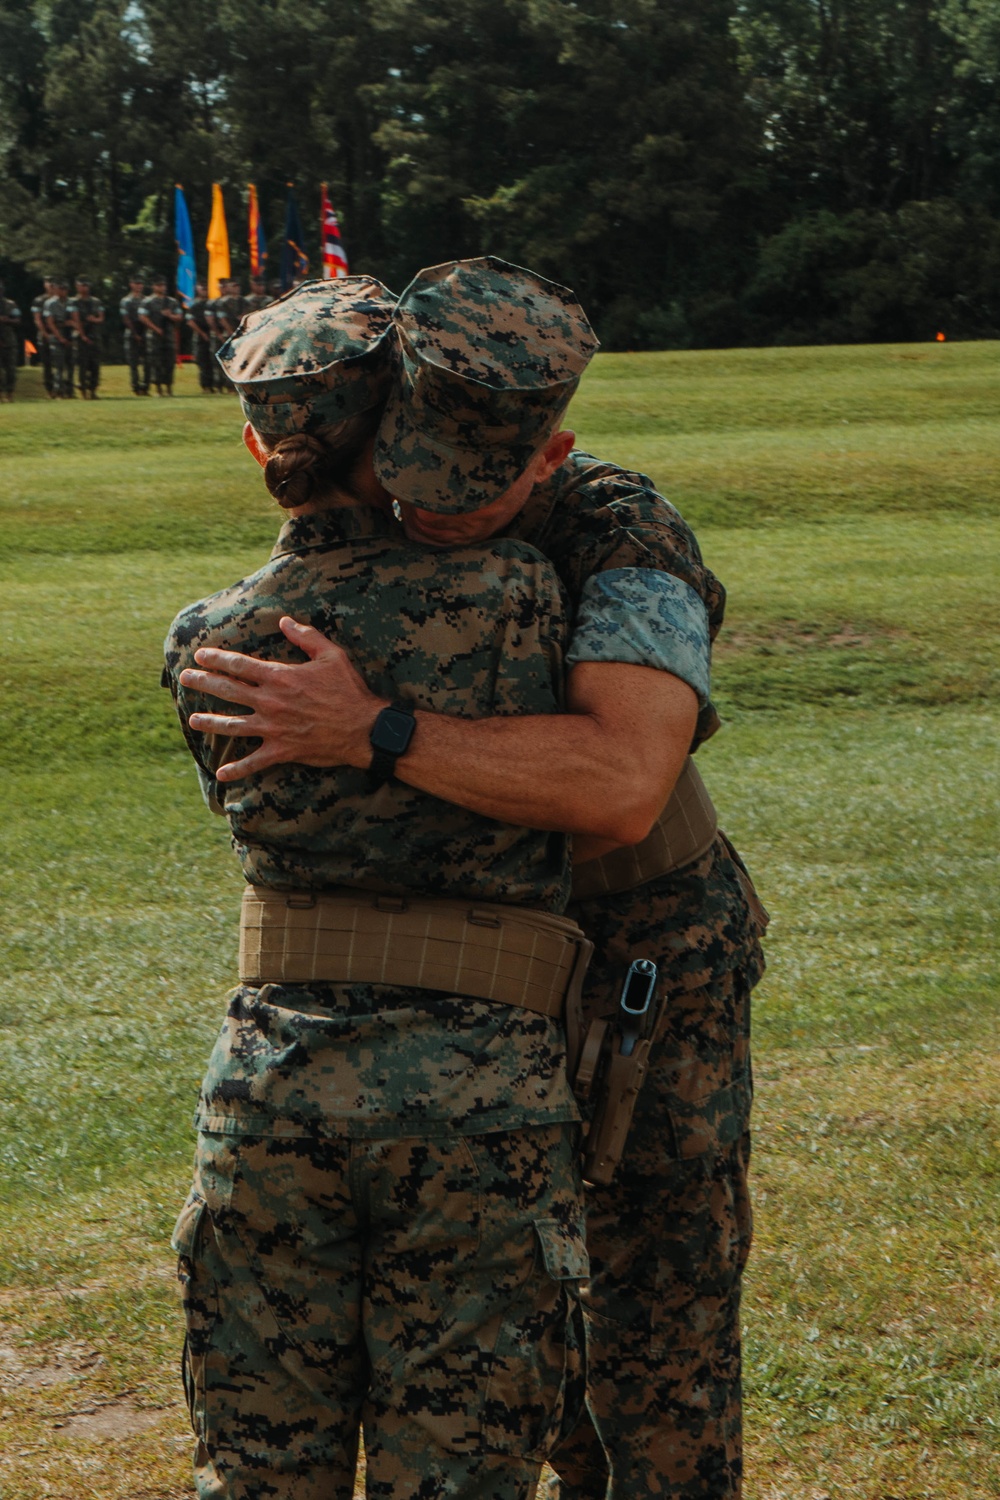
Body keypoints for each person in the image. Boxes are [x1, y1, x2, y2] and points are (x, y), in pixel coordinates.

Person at [183, 256, 767, 1500]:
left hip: (636, 963)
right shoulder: (393, 480)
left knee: (646, 1339)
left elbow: (620, 785)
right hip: (460, 990)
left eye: (475, 490)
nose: (434, 509)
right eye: (414, 475)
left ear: (547, 457)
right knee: (498, 1350)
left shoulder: (619, 531)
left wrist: (376, 731)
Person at [164, 276, 597, 1500]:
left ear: (260, 439)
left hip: (270, 1085)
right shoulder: (519, 595)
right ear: (399, 422)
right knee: (459, 1471)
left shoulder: (205, 637)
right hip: (480, 1099)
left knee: (260, 1468)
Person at [140, 275, 183, 395]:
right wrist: (155, 328)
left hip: (169, 336)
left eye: (163, 285)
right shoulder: (147, 301)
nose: (162, 287)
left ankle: (169, 387)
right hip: (154, 337)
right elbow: (143, 317)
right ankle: (158, 388)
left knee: (169, 362)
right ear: (154, 287)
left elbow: (179, 317)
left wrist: (170, 315)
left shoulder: (172, 302)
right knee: (156, 362)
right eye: (159, 285)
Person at [69, 276, 104, 398]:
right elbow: (75, 319)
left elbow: (101, 318)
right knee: (82, 364)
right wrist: (82, 335)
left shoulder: (96, 301)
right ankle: (83, 390)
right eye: (81, 285)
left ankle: (93, 390)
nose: (84, 288)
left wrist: (94, 319)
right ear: (77, 287)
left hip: (95, 335)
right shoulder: (73, 302)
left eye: (86, 285)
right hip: (80, 336)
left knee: (95, 364)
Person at [43, 278, 75, 398]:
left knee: (71, 365)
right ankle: (58, 390)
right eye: (61, 288)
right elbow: (50, 323)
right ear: (55, 289)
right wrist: (60, 337)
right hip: (57, 335)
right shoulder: (50, 303)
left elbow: (75, 319)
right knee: (59, 365)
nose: (63, 291)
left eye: (65, 288)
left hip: (70, 335)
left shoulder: (71, 302)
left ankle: (70, 390)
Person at [120, 274, 149, 395]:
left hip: (146, 331)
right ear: (131, 285)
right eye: (136, 284)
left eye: (140, 284)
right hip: (132, 331)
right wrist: (135, 333)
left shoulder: (146, 300)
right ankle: (136, 386)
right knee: (133, 362)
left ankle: (145, 386)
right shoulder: (126, 301)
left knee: (148, 361)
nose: (139, 286)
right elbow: (126, 318)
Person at [186, 281, 216, 393]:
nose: (205, 290)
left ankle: (215, 385)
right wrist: (202, 333)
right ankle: (206, 386)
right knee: (202, 362)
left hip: (212, 335)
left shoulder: (212, 303)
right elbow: (190, 321)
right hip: (200, 337)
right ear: (198, 290)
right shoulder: (194, 305)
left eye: (206, 288)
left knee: (213, 362)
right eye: (202, 288)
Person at [31, 276, 55, 397]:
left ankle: (64, 389)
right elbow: (37, 319)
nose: (51, 285)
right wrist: (45, 334)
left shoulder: (62, 299)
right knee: (47, 364)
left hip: (61, 334)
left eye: (52, 282)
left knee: (64, 363)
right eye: (48, 282)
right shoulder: (39, 300)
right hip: (45, 335)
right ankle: (50, 389)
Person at [0, 282, 21, 401]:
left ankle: (10, 393)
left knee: (11, 369)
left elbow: (17, 320)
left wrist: (7, 320)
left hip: (9, 340)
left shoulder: (11, 304)